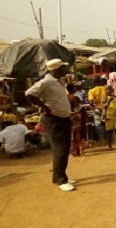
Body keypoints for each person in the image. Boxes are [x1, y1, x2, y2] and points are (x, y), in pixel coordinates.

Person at [26, 59, 76, 191]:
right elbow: (29, 93)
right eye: (62, 68)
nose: (65, 70)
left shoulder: (59, 81)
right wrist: (44, 106)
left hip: (63, 118)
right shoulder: (46, 82)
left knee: (65, 149)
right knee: (60, 149)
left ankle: (59, 175)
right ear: (56, 69)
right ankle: (61, 180)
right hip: (53, 120)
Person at [87, 76, 106, 145]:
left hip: (97, 108)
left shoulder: (91, 91)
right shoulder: (104, 88)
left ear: (94, 82)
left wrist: (91, 105)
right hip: (105, 108)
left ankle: (102, 139)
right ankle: (109, 138)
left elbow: (91, 102)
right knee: (107, 123)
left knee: (98, 124)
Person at [103, 85, 116, 151]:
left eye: (109, 89)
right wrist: (108, 102)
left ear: (112, 90)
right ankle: (109, 146)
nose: (108, 90)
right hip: (108, 117)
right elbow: (103, 106)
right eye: (107, 89)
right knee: (109, 132)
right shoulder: (104, 98)